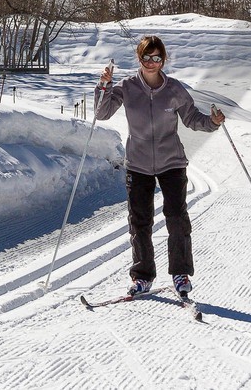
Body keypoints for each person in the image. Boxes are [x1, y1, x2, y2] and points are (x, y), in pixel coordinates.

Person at [95, 34, 225, 299]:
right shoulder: (127, 86)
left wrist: (212, 122)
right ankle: (142, 277)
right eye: (146, 57)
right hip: (138, 164)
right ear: (139, 59)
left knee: (176, 219)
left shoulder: (174, 89)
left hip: (172, 163)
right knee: (139, 221)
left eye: (157, 57)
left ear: (163, 59)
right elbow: (102, 113)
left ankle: (180, 273)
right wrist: (103, 86)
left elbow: (192, 118)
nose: (152, 62)